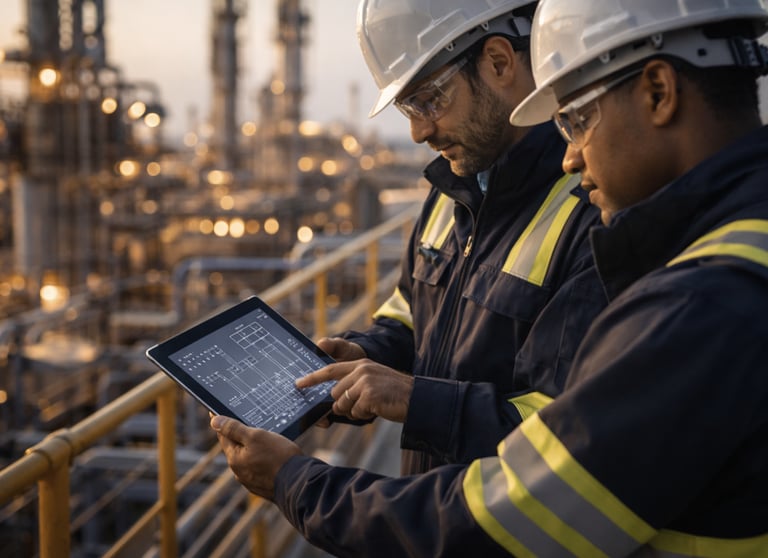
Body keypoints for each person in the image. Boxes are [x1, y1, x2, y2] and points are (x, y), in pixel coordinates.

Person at [212, 0, 768, 555]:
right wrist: (353, 363)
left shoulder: (688, 289)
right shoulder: (454, 191)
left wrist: (298, 483)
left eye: (576, 119)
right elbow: (412, 310)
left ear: (657, 92)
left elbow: (526, 504)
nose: (572, 156)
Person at [306, 0, 606, 475]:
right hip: (430, 508)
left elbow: (562, 435)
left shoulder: (593, 210)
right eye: (408, 107)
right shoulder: (452, 192)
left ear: (500, 62)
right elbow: (411, 312)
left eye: (429, 99)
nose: (418, 130)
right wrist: (366, 353)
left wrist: (414, 399)